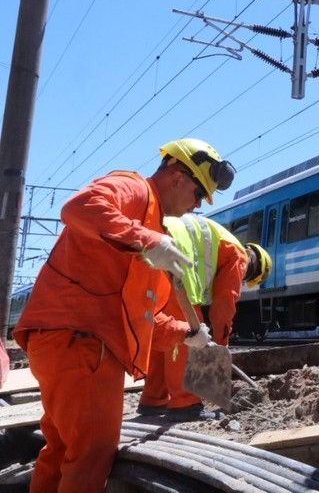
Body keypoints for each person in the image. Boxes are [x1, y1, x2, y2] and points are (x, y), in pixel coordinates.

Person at [13, 138, 234, 492]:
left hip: (69, 344)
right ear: (177, 176)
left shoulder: (152, 229)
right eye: (197, 194)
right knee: (91, 453)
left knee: (63, 449)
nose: (196, 206)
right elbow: (78, 207)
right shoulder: (134, 190)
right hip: (81, 342)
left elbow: (139, 318)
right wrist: (147, 240)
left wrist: (185, 333)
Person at [137, 214, 271, 421]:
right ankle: (185, 403)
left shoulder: (223, 243)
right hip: (173, 258)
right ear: (254, 269)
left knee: (166, 332)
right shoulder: (239, 257)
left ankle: (154, 399)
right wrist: (220, 344)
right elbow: (224, 307)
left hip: (155, 245)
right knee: (191, 330)